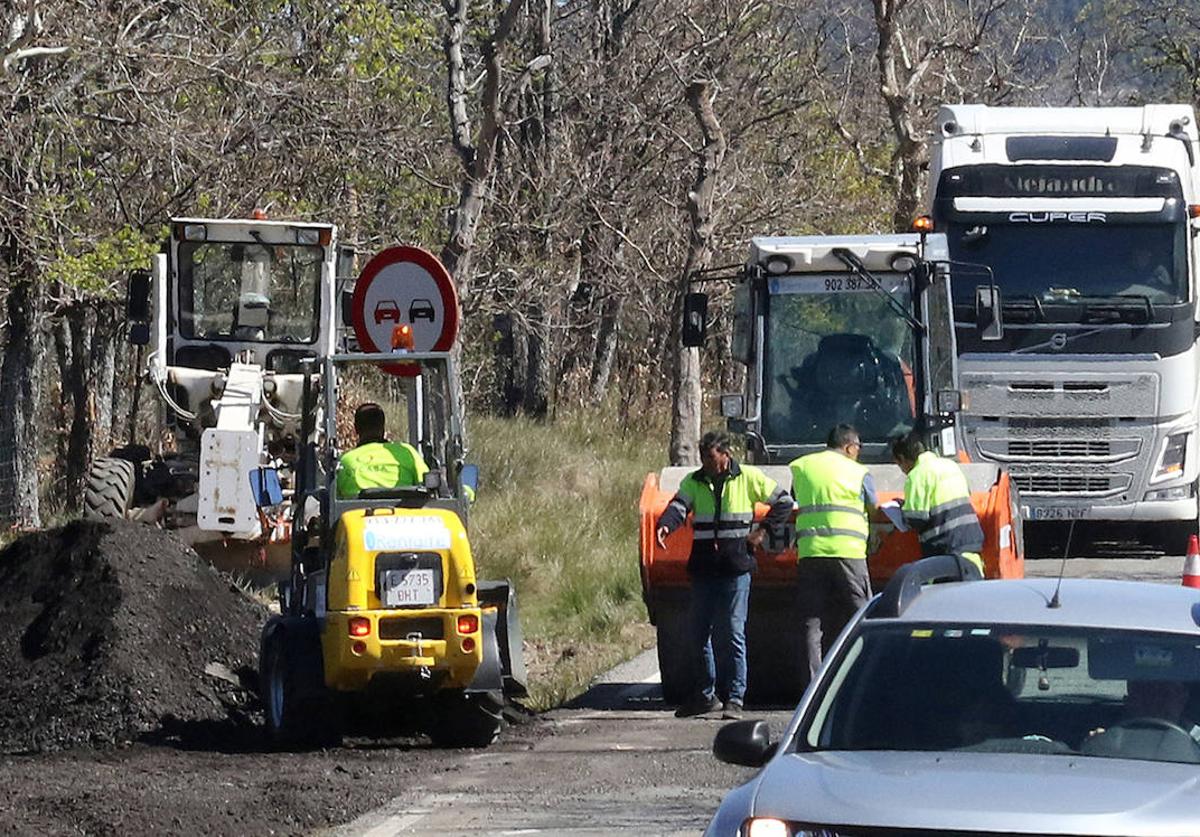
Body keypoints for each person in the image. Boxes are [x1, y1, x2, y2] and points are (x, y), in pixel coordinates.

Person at [656, 431, 792, 720]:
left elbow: (783, 502)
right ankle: (706, 696)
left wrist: (762, 531)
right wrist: (665, 525)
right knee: (697, 634)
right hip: (704, 568)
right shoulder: (693, 481)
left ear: (725, 455)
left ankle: (735, 698)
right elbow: (678, 507)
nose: (706, 463)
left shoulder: (748, 478)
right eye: (703, 458)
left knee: (733, 632)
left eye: (711, 458)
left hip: (735, 569)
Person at [789, 423, 878, 685]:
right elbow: (872, 505)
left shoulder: (802, 467)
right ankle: (864, 678)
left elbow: (797, 499)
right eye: (858, 448)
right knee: (862, 616)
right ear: (850, 446)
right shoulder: (859, 471)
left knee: (811, 622)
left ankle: (813, 685)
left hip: (811, 552)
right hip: (848, 552)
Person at [889, 432, 984, 574]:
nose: (902, 471)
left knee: (941, 594)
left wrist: (902, 511)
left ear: (902, 459)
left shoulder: (917, 475)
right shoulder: (950, 465)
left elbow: (917, 518)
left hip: (945, 548)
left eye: (899, 465)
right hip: (970, 542)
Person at [336, 403, 429, 499]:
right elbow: (426, 485)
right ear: (383, 427)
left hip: (357, 512)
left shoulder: (345, 461)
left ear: (356, 429)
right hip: (405, 512)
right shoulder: (407, 452)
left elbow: (336, 500)